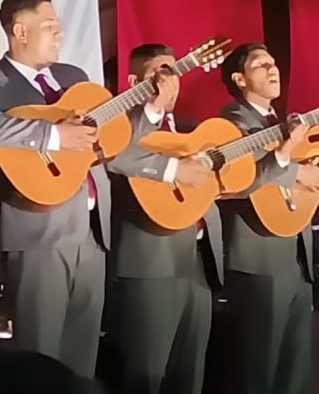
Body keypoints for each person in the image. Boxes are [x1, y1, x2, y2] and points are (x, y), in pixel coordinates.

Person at [0, 0, 107, 378]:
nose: (59, 33)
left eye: (58, 26)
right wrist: (55, 137)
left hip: (91, 230)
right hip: (37, 230)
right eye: (49, 26)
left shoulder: (73, 79)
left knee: (84, 355)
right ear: (19, 31)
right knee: (40, 358)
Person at [106, 43, 222, 394]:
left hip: (196, 262)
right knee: (146, 373)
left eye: (176, 73)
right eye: (161, 73)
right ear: (133, 81)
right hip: (149, 263)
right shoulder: (119, 125)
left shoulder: (190, 130)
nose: (173, 82)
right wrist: (152, 109)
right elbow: (119, 156)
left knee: (190, 374)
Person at [218, 43, 316, 394]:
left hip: (296, 257)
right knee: (258, 370)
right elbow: (239, 178)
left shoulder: (285, 121)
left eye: (274, 63)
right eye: (261, 65)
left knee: (295, 369)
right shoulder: (231, 123)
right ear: (239, 79)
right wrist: (293, 166)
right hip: (258, 260)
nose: (273, 69)